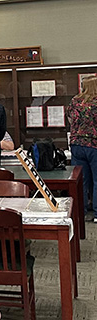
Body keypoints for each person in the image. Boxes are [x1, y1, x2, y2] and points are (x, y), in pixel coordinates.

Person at [68, 75, 97, 219]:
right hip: (94, 145)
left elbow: (70, 118)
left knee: (81, 181)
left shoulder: (75, 101)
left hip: (76, 144)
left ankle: (81, 212)